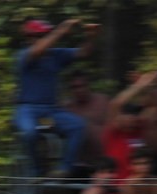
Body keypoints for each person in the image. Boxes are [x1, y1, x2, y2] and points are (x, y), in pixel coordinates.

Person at [14, 18, 98, 178]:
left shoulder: (55, 54)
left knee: (78, 126)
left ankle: (64, 168)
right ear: (30, 38)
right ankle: (37, 171)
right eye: (41, 36)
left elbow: (83, 52)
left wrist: (90, 36)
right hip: (28, 108)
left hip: (51, 109)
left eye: (46, 35)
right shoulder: (25, 55)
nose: (46, 39)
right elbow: (37, 51)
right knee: (29, 132)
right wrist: (60, 31)